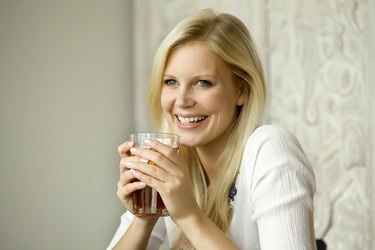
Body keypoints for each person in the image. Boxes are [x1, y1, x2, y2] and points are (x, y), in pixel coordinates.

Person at [108, 9, 317, 250]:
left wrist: (189, 215)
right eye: (171, 82)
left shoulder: (270, 148)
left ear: (242, 90)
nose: (182, 100)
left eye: (202, 83)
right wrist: (142, 220)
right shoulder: (171, 166)